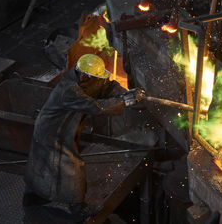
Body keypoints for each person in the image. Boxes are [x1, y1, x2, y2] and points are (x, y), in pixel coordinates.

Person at [23, 54, 143, 221]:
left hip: (61, 129)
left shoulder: (84, 78)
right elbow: (95, 107)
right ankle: (77, 208)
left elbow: (106, 86)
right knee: (70, 166)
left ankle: (32, 196)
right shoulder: (69, 90)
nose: (98, 81)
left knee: (44, 165)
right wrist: (125, 102)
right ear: (85, 76)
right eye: (95, 77)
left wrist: (126, 94)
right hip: (50, 132)